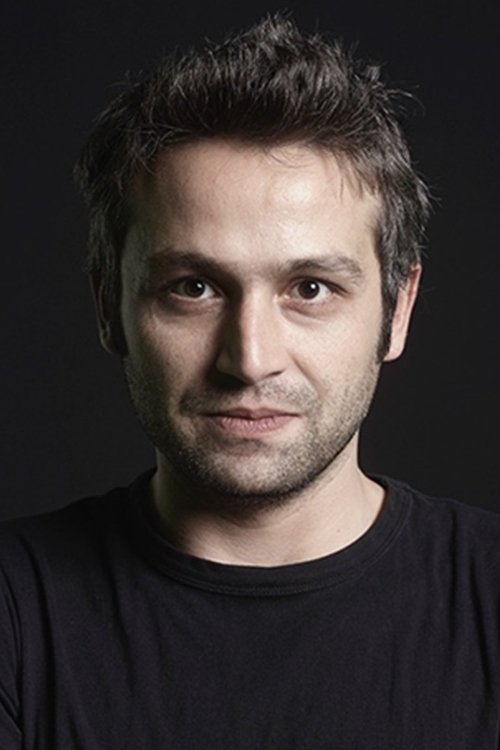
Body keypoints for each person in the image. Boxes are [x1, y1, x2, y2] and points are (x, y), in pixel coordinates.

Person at [1, 14, 499, 749]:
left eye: (311, 289)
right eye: (194, 287)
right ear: (110, 308)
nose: (251, 358)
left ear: (397, 311)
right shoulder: (14, 609)